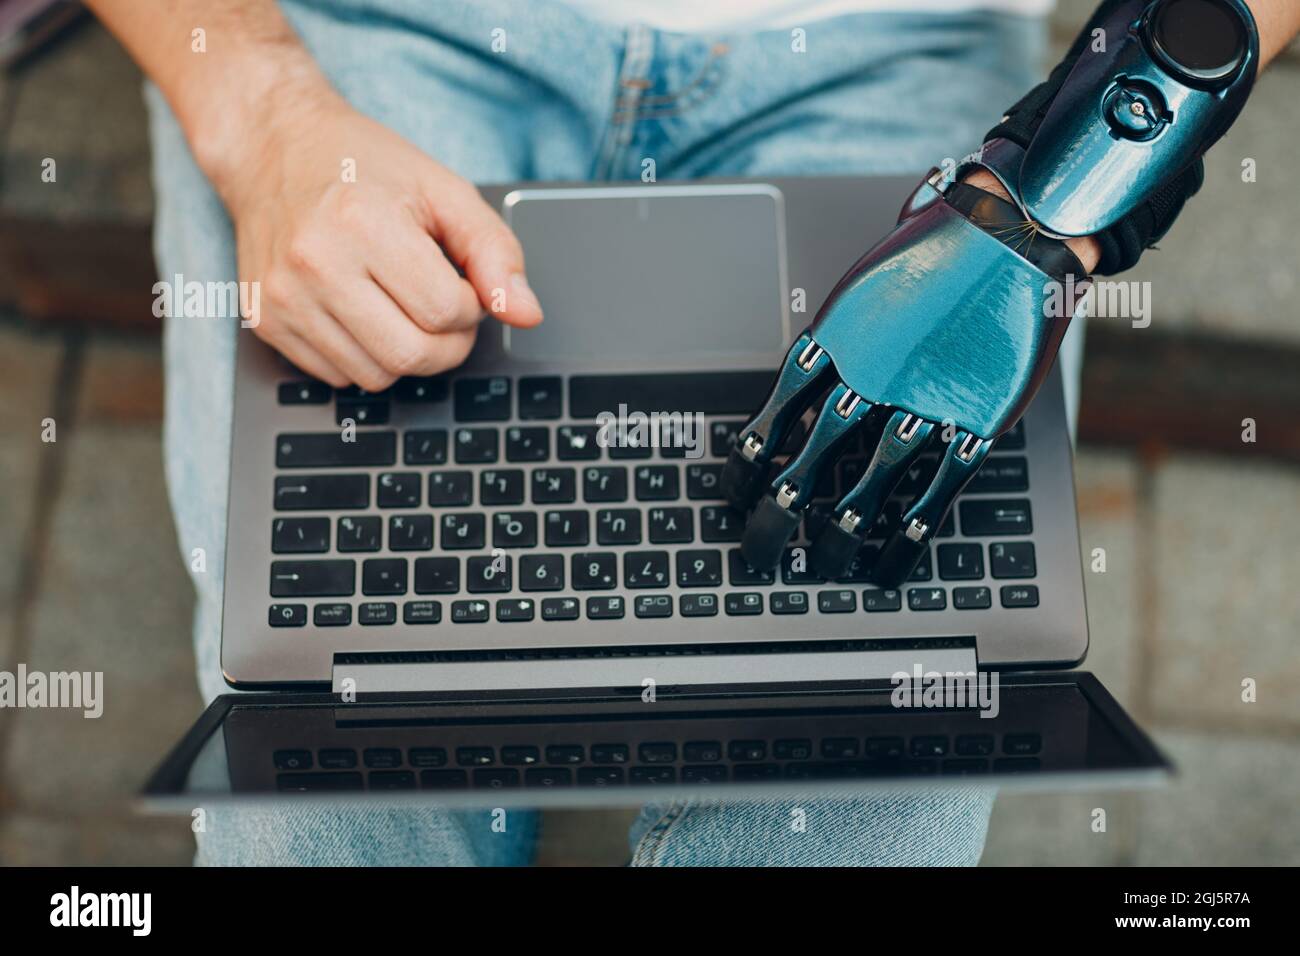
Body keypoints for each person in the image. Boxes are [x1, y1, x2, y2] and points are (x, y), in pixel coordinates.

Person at [85, 0, 1300, 865]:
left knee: (872, 780)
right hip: (367, 35)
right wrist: (260, 118)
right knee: (325, 780)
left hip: (905, 50)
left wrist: (1059, 191)